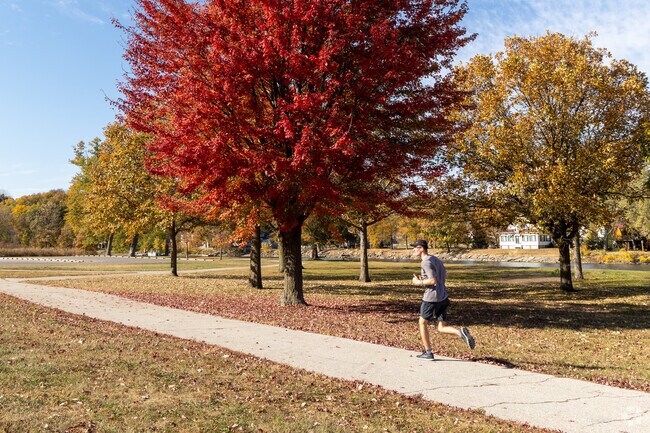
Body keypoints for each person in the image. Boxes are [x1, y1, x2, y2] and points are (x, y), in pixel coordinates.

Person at [410, 239, 475, 360]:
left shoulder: (425, 262)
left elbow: (433, 280)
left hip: (431, 298)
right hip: (443, 297)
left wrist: (418, 282)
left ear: (421, 248)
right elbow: (444, 275)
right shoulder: (435, 259)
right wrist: (425, 278)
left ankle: (428, 352)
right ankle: (460, 333)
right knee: (440, 327)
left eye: (415, 247)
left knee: (422, 323)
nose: (413, 250)